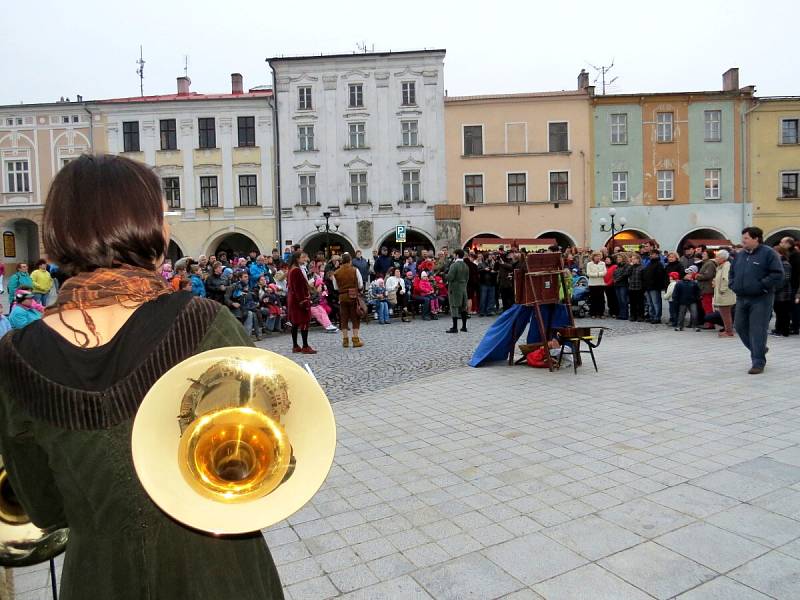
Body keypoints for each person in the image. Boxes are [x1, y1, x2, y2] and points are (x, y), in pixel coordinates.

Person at [0, 154, 284, 599]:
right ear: (151, 227)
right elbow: (268, 472)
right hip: (219, 574)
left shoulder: (15, 356)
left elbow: (44, 508)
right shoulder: (206, 322)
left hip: (99, 579)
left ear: (58, 233)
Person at [730, 227, 785, 374]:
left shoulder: (769, 253)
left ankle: (758, 362)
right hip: (741, 297)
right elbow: (732, 273)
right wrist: (733, 284)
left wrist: (762, 285)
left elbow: (777, 274)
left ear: (756, 239)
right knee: (740, 326)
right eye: (743, 238)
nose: (743, 241)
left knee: (757, 330)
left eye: (746, 238)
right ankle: (759, 349)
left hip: (761, 298)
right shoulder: (740, 255)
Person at [286, 251, 316, 354]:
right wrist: (303, 301)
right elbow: (298, 287)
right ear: (297, 259)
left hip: (293, 298)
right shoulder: (296, 270)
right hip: (298, 299)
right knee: (304, 321)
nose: (305, 259)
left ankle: (295, 346)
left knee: (295, 323)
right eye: (302, 257)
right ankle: (305, 346)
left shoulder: (291, 269)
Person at [332, 252, 364, 347]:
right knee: (355, 317)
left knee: (344, 318)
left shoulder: (336, 272)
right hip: (353, 296)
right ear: (350, 260)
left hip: (342, 297)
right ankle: (355, 340)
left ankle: (345, 340)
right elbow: (360, 284)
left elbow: (335, 287)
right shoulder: (355, 270)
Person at [712, 249, 736, 337]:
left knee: (726, 314)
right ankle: (727, 330)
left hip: (725, 294)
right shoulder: (722, 266)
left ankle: (729, 332)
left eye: (717, 257)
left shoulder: (726, 266)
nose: (715, 259)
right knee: (724, 313)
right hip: (723, 294)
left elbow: (726, 279)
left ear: (723, 258)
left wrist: (722, 290)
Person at [446, 249, 469, 333]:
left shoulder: (454, 265)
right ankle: (464, 326)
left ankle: (454, 327)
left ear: (457, 255)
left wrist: (445, 275)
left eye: (454, 254)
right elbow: (467, 278)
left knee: (454, 306)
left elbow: (450, 277)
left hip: (454, 288)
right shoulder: (466, 265)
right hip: (463, 287)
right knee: (463, 307)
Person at [772, 247, 793, 338]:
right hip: (778, 293)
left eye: (774, 252)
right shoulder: (778, 263)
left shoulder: (785, 264)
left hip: (783, 293)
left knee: (783, 312)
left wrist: (775, 288)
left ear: (780, 253)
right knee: (778, 311)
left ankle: (784, 330)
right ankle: (778, 328)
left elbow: (785, 279)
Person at [642, 249, 666, 324]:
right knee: (650, 303)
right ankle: (652, 316)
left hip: (655, 287)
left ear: (657, 255)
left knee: (656, 302)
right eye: (650, 254)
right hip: (648, 286)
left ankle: (657, 317)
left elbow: (660, 276)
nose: (651, 255)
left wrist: (654, 284)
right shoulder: (650, 264)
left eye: (652, 254)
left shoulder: (659, 264)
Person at [673, 267, 701, 331]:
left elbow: (697, 291)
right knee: (681, 314)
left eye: (690, 274)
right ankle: (679, 326)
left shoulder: (694, 283)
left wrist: (697, 298)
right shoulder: (679, 283)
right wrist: (676, 300)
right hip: (682, 301)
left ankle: (695, 326)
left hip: (692, 301)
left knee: (694, 314)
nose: (689, 275)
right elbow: (676, 293)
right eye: (687, 274)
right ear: (684, 276)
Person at [585, 252, 607, 318]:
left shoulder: (603, 263)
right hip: (592, 284)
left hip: (601, 283)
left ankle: (601, 313)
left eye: (599, 256)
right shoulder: (589, 264)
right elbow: (589, 273)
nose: (598, 257)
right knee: (593, 299)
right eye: (596, 256)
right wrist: (598, 274)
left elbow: (605, 272)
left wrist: (596, 274)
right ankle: (593, 313)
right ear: (593, 257)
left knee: (601, 299)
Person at [627, 253, 645, 322]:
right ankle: (632, 315)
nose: (633, 260)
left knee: (640, 303)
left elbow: (643, 278)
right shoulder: (631, 267)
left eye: (634, 259)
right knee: (632, 303)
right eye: (632, 259)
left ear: (638, 259)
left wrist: (643, 287)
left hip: (639, 287)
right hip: (632, 287)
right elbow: (627, 274)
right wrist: (630, 266)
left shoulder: (642, 267)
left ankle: (640, 316)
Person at [612, 254, 630, 320]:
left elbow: (625, 274)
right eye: (618, 258)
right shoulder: (617, 266)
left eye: (620, 257)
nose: (618, 258)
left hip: (623, 285)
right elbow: (614, 274)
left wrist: (617, 280)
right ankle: (621, 314)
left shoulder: (627, 265)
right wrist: (614, 279)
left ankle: (625, 314)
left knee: (623, 300)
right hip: (617, 285)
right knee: (619, 300)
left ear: (623, 258)